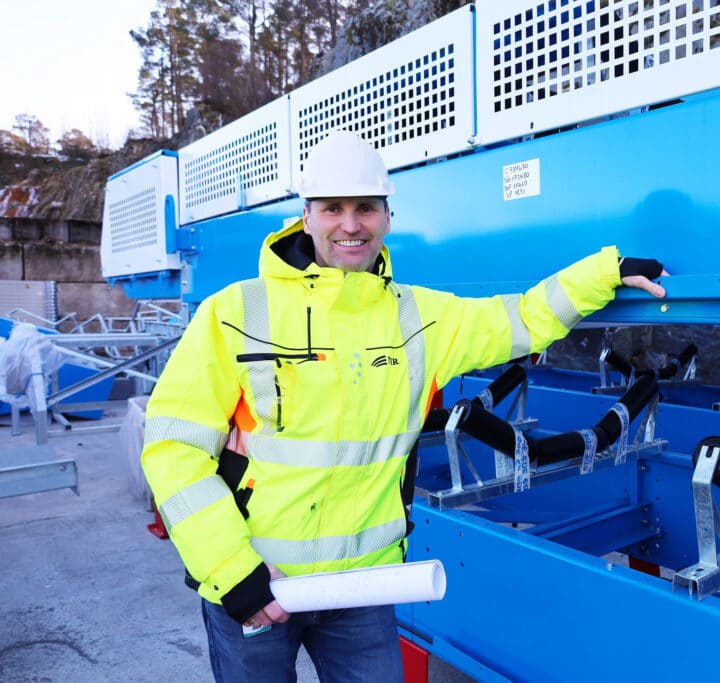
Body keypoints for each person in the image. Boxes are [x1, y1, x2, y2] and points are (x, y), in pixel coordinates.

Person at [141, 128, 668, 682]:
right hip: (257, 583)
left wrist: (605, 272)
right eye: (333, 208)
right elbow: (173, 448)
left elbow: (523, 319)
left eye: (366, 208)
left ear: (388, 216)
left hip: (364, 588)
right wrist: (232, 571)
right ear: (305, 214)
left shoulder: (420, 318)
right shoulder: (234, 313)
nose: (350, 224)